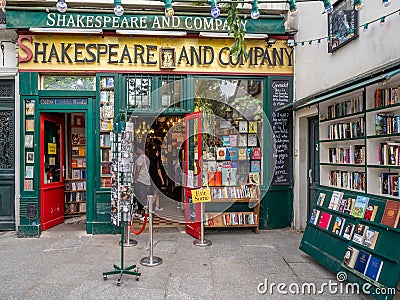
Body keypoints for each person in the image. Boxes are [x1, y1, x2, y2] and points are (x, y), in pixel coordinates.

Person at [133, 145, 150, 218]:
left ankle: (146, 214)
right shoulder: (146, 158)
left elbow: (137, 170)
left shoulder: (140, 159)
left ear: (139, 149)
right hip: (145, 179)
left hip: (140, 179)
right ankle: (141, 212)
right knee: (141, 196)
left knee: (142, 196)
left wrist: (135, 179)